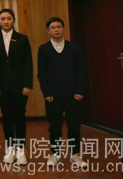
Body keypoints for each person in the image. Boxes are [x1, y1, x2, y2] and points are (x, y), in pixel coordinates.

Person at [37, 17, 87, 169]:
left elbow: (81, 70)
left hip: (73, 95)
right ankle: (56, 154)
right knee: (54, 126)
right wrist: (46, 92)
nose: (56, 29)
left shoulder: (74, 47)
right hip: (53, 95)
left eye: (59, 26)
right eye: (53, 27)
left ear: (64, 28)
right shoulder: (43, 49)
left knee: (74, 126)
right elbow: (41, 73)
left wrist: (79, 90)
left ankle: (75, 154)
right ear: (48, 31)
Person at [0, 8, 32, 165]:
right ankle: (9, 149)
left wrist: (27, 84)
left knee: (20, 116)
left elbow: (28, 63)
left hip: (19, 85)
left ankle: (21, 150)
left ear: (13, 20)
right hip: (2, 86)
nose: (6, 21)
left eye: (9, 18)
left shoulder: (22, 38)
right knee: (7, 116)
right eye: (3, 19)